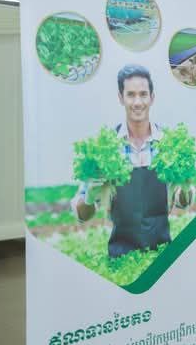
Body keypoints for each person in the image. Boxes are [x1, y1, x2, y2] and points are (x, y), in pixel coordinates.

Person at [73, 64, 176, 258]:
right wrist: (90, 196)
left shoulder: (168, 144)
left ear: (152, 98)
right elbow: (82, 215)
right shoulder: (106, 148)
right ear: (121, 98)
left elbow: (184, 203)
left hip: (163, 258)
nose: (137, 102)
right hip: (120, 257)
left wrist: (184, 189)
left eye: (143, 94)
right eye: (131, 95)